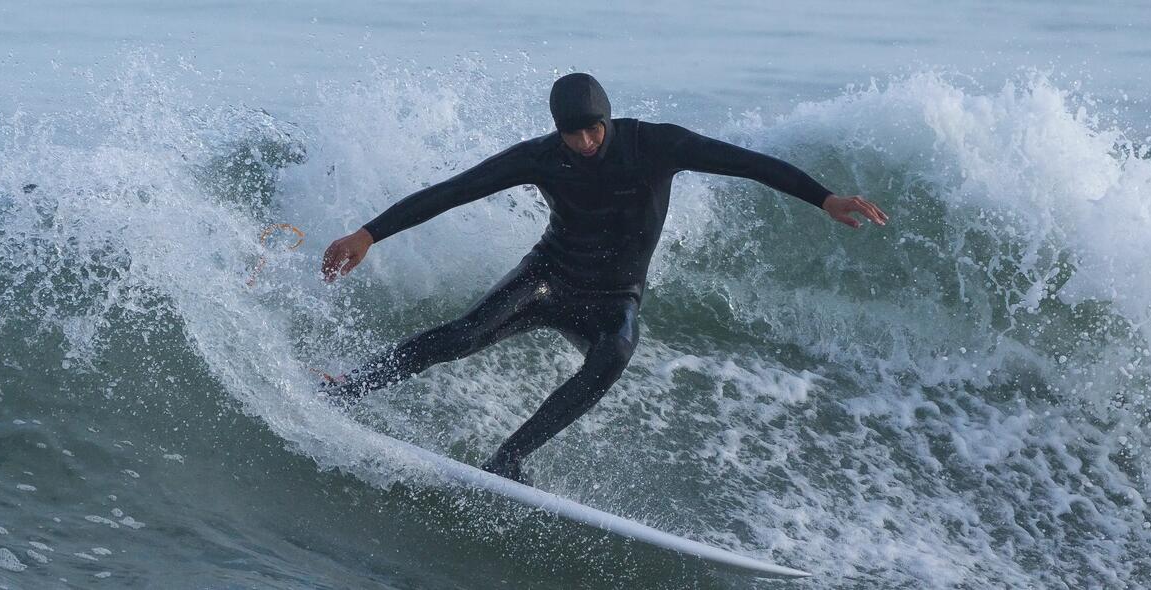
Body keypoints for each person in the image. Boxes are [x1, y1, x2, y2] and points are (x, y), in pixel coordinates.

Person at [317, 73, 887, 483]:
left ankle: (509, 458)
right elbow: (453, 191)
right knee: (465, 334)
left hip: (615, 295)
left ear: (607, 119)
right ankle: (349, 389)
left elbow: (748, 162)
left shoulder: (656, 144)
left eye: (594, 130)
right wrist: (368, 234)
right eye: (574, 134)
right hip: (548, 276)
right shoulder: (539, 157)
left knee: (613, 355)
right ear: (558, 131)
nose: (586, 143)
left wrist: (824, 198)